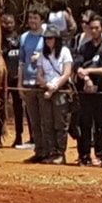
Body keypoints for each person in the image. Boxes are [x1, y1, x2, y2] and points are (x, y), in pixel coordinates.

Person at [73, 15, 102, 167]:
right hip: (85, 91)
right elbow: (77, 65)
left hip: (101, 92)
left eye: (97, 27)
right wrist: (85, 78)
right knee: (84, 124)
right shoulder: (84, 47)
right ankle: (84, 155)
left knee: (101, 126)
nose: (94, 30)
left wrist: (88, 71)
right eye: (92, 28)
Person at [34, 25, 73, 165]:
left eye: (50, 38)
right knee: (47, 123)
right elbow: (38, 74)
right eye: (45, 38)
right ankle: (50, 152)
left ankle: (60, 153)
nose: (47, 41)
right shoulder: (42, 54)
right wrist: (46, 85)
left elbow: (67, 73)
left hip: (60, 91)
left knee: (60, 123)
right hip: (45, 90)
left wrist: (54, 87)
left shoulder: (65, 52)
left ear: (57, 39)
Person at [17, 6, 47, 162]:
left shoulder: (47, 36)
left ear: (42, 20)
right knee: (34, 120)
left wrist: (41, 57)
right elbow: (21, 62)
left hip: (43, 83)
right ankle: (39, 151)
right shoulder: (23, 38)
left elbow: (55, 56)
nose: (32, 21)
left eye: (35, 18)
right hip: (28, 83)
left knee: (45, 120)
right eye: (30, 18)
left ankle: (49, 151)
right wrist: (20, 83)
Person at [0, 13, 27, 148]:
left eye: (10, 23)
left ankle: (19, 136)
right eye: (5, 22)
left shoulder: (20, 39)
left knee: (18, 108)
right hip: (2, 80)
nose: (8, 25)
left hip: (16, 78)